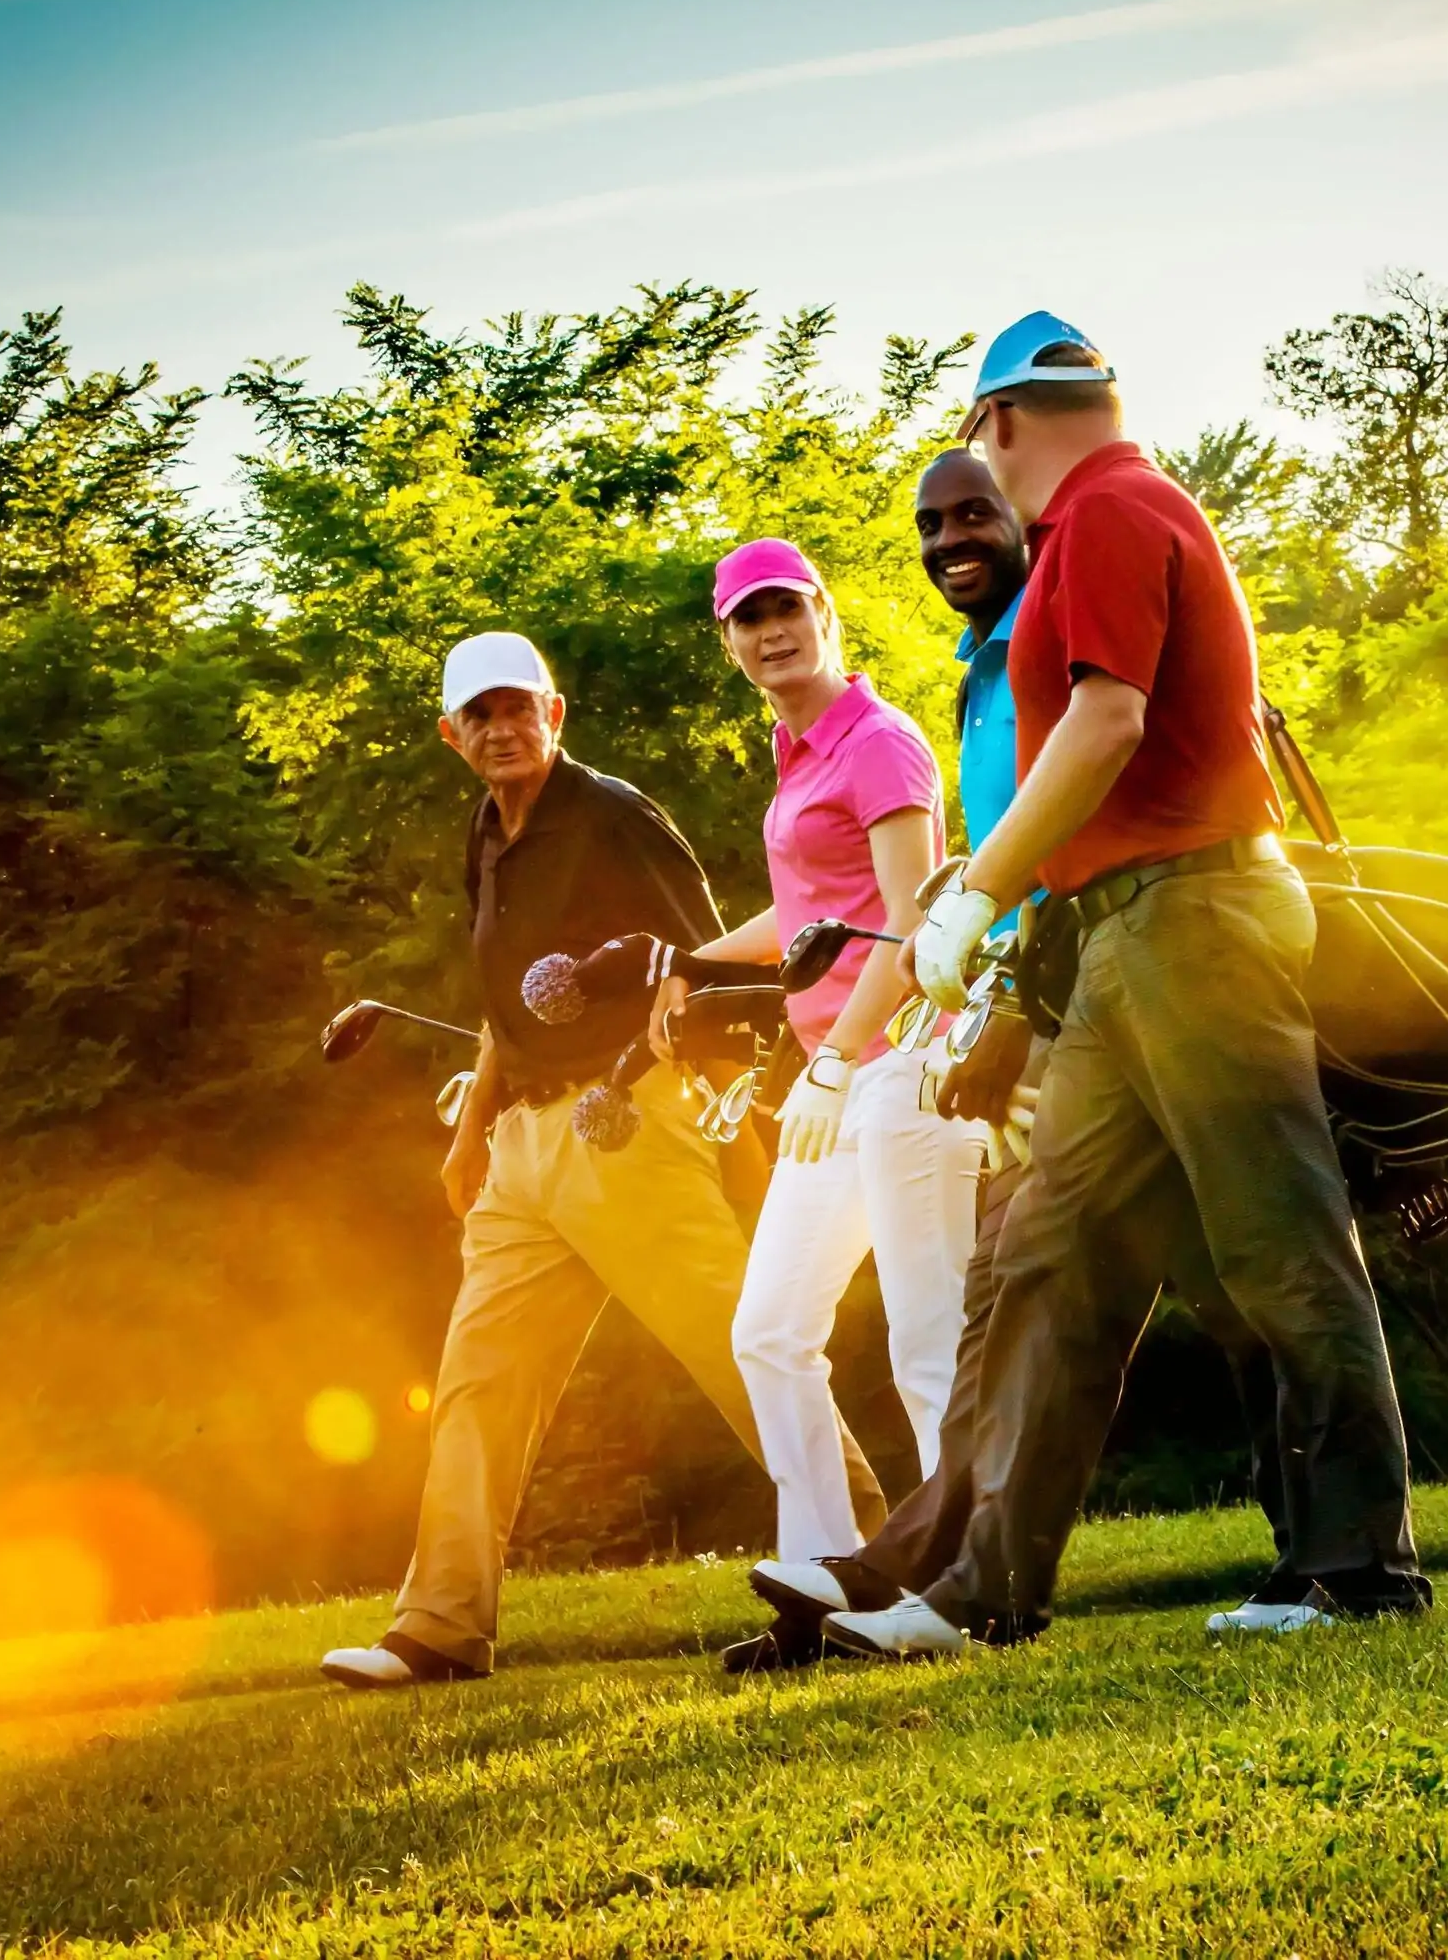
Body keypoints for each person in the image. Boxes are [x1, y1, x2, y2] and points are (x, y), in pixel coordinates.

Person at [824, 314, 1432, 1660]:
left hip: (1194, 915)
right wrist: (997, 884)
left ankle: (1359, 1570)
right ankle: (979, 1589)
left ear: (1003, 422)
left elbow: (1108, 722)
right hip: (1126, 931)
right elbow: (1097, 764)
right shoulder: (1119, 509)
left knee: (1278, 1243)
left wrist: (981, 888)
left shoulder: (1107, 511)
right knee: (1051, 1259)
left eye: (984, 441)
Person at [731, 452, 1293, 1662]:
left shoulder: (995, 685)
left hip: (1124, 975)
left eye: (975, 512)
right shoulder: (983, 679)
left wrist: (969, 1028)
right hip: (1063, 1001)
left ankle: (1342, 1560)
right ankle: (937, 1579)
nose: (952, 539)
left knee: (1229, 1279)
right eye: (932, 524)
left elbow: (1040, 857)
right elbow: (975, 871)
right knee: (1031, 1292)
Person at [321, 630, 885, 1689]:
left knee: (740, 1348)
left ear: (556, 712)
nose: (501, 728)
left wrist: (697, 1107)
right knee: (477, 1385)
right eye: (478, 715)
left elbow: (703, 972)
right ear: (451, 734)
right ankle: (441, 1624)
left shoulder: (616, 817)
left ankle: (877, 1570)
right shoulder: (484, 832)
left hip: (622, 1126)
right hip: (524, 1151)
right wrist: (469, 1132)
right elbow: (499, 1005)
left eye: (518, 707)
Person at [652, 540, 981, 1664]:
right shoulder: (798, 755)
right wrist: (693, 961)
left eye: (784, 608)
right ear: (730, 641)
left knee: (927, 1339)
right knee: (771, 1329)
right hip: (844, 1077)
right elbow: (809, 918)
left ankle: (958, 1589)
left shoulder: (879, 744)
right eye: (746, 619)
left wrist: (836, 1057)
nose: (769, 632)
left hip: (908, 1068)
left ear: (824, 613)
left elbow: (912, 920)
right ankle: (825, 1588)